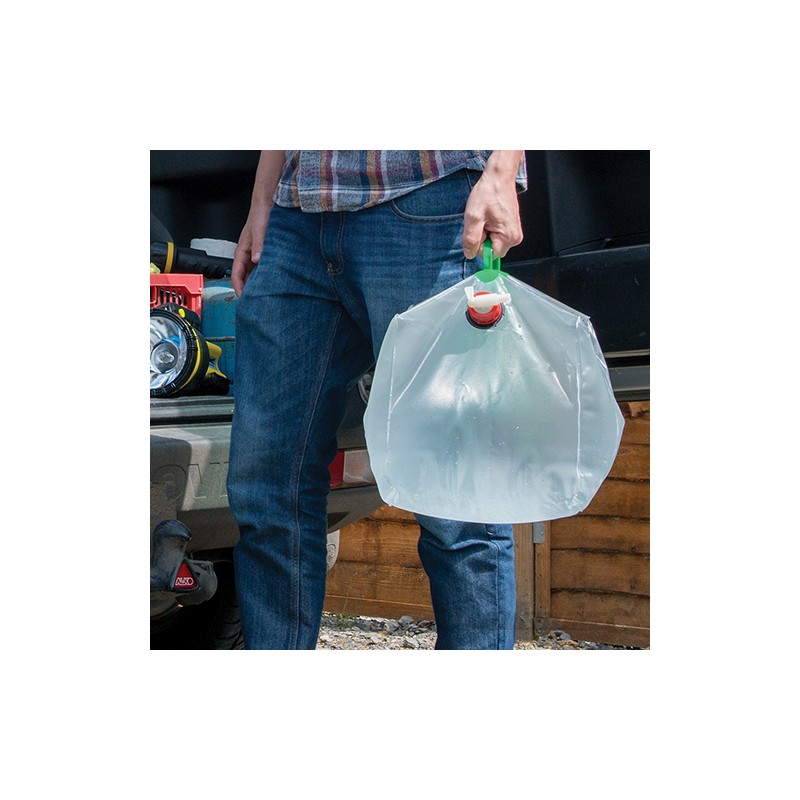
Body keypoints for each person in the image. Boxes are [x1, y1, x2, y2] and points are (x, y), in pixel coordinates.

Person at [227, 150, 526, 649]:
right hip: (298, 214)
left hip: (427, 201)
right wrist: (262, 202)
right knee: (269, 487)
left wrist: (501, 171)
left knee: (457, 503)